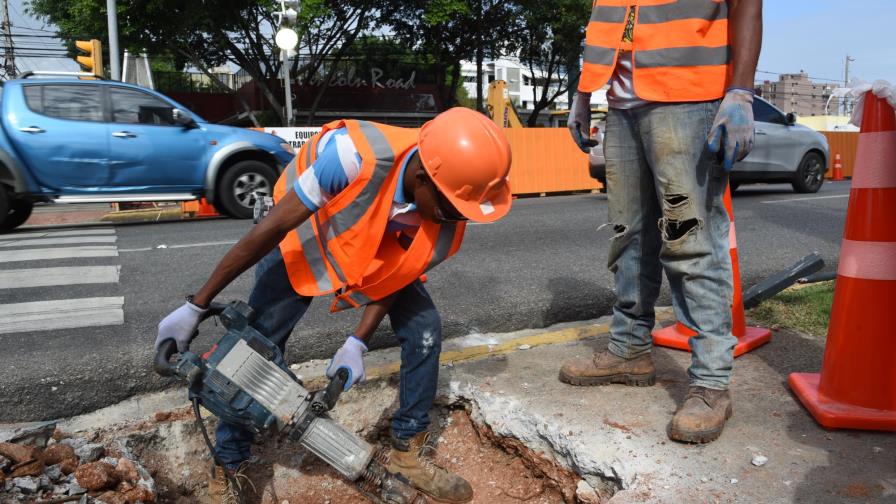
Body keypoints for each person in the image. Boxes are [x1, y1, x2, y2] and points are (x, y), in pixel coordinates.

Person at [155, 107, 512, 503]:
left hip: (373, 246)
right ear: (424, 178)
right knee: (253, 350)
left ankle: (407, 449)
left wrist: (357, 342)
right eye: (452, 207)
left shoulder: (445, 218)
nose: (457, 218)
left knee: (424, 328)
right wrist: (197, 305)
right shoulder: (352, 157)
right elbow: (271, 229)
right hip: (308, 231)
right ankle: (228, 465)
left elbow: (399, 274)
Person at [561, 0, 762, 444]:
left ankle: (711, 383)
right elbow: (611, 23)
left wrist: (741, 90)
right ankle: (629, 349)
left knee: (689, 239)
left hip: (688, 98)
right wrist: (582, 93)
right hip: (621, 103)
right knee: (628, 235)